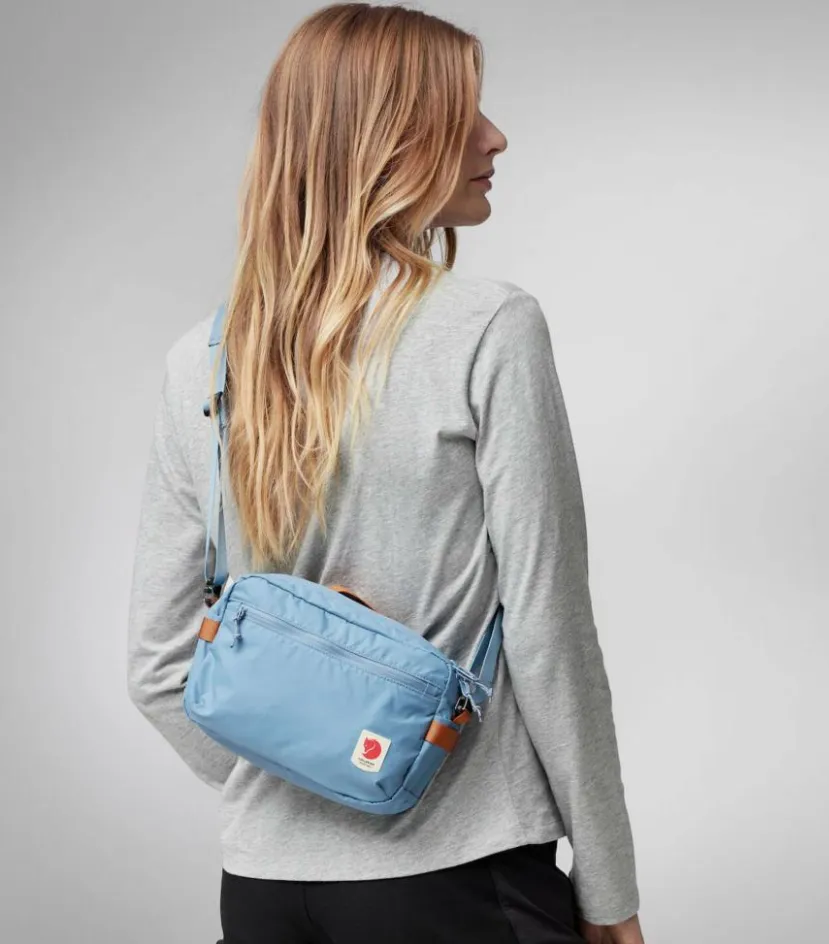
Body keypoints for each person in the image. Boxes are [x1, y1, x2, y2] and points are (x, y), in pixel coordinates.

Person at [125, 4, 644, 943]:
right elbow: (550, 635)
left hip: (262, 892)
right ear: (389, 138)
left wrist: (314, 771)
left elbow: (160, 668)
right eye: (464, 112)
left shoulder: (200, 361)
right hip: (459, 874)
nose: (496, 137)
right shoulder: (489, 328)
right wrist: (609, 889)